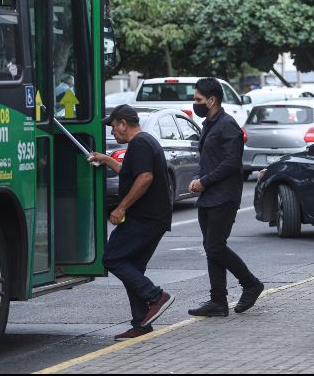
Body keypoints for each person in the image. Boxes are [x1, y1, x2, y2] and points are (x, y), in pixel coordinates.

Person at [88, 104, 175, 341]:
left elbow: (145, 177)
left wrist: (121, 207)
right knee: (133, 269)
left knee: (112, 258)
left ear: (124, 123)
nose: (112, 132)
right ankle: (141, 324)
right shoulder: (143, 143)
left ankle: (156, 296)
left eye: (114, 126)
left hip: (144, 218)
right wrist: (105, 159)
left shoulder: (140, 143)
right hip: (152, 218)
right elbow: (129, 172)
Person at [187, 78, 264, 317]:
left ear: (212, 100)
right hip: (208, 196)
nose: (195, 103)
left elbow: (231, 163)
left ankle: (251, 284)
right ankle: (218, 302)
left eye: (198, 99)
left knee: (216, 247)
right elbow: (207, 159)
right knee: (211, 249)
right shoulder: (208, 124)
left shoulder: (228, 125)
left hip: (224, 197)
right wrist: (198, 177)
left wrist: (204, 181)